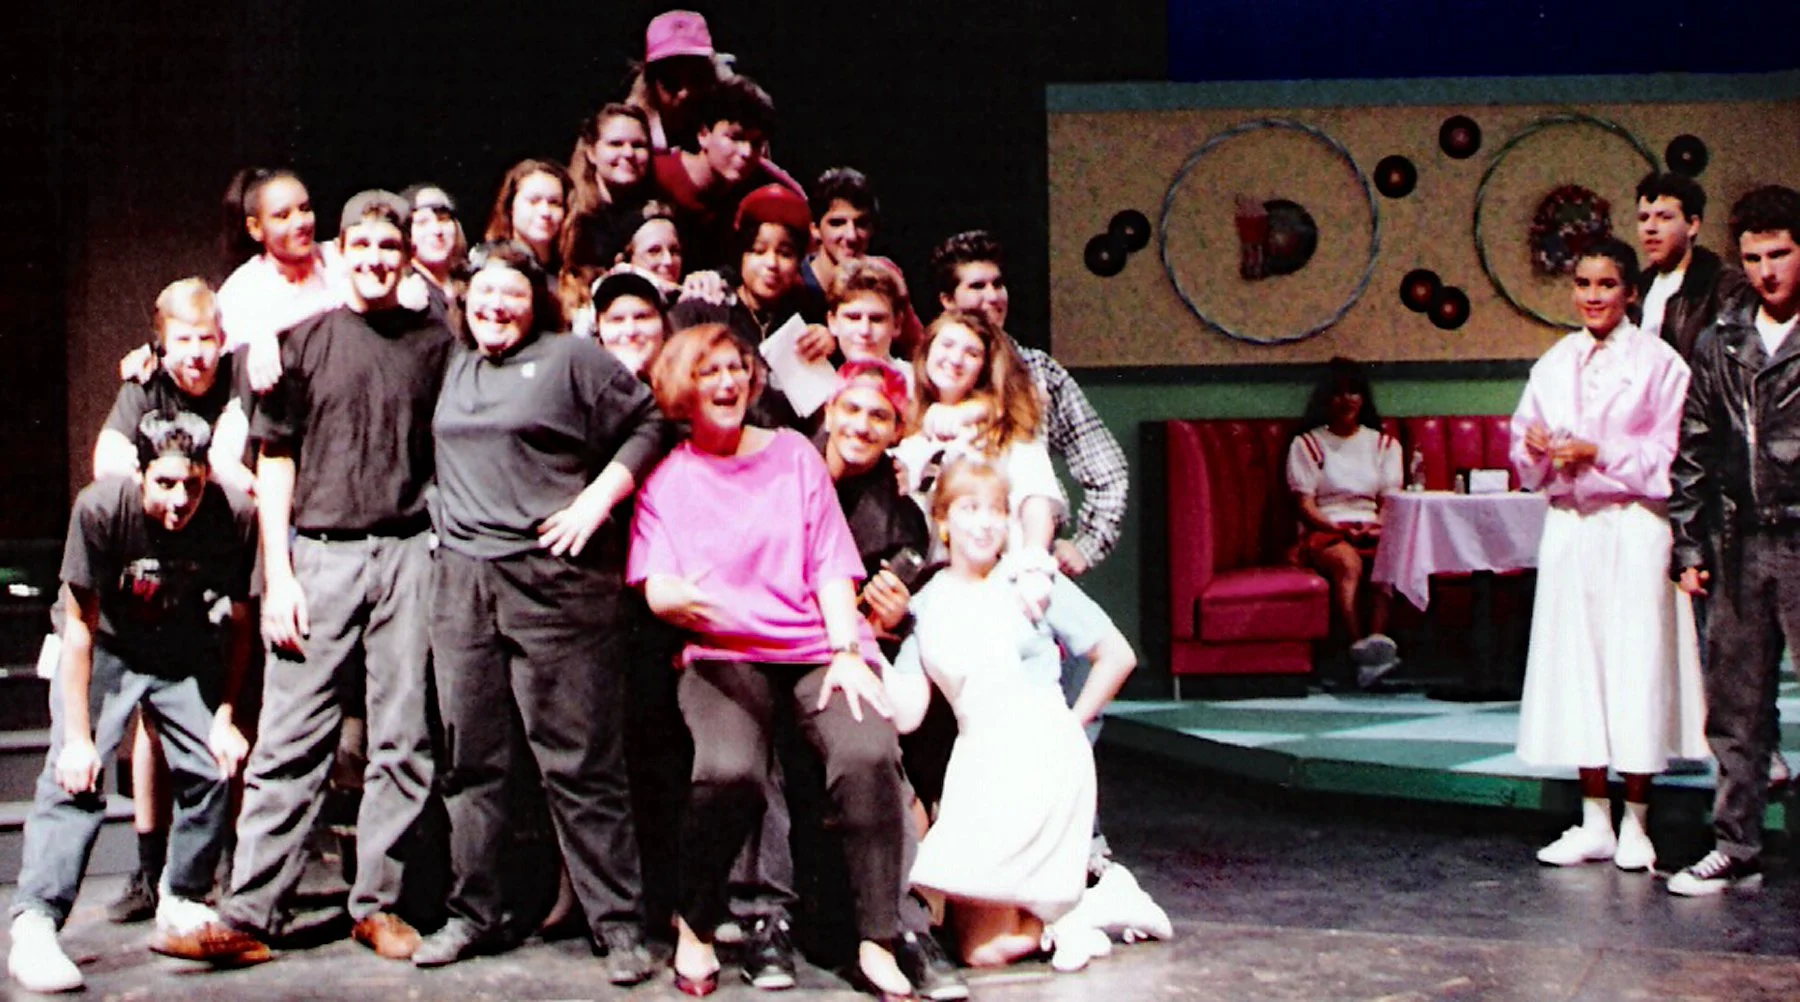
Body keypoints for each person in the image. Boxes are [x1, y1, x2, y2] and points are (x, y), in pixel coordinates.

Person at [169, 190, 455, 963]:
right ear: (341, 251)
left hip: (407, 550)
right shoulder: (301, 342)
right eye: (362, 247)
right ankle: (251, 913)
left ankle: (379, 905)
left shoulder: (435, 344)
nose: (375, 260)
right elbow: (275, 461)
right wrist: (281, 572)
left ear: (406, 257)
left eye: (389, 248)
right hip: (320, 555)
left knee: (402, 738)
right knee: (290, 738)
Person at [628, 324, 914, 1000]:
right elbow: (654, 580)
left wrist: (848, 651)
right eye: (709, 372)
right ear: (682, 388)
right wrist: (666, 596)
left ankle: (879, 940)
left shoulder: (793, 455)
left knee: (868, 751)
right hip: (724, 651)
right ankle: (696, 921)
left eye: (736, 368)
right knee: (729, 771)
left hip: (817, 646)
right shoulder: (668, 480)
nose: (728, 382)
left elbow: (830, 561)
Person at [409, 242, 669, 981]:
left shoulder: (571, 359)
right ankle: (474, 913)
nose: (497, 306)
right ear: (465, 299)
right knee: (473, 760)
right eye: (485, 292)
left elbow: (650, 423)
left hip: (556, 584)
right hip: (465, 583)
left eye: (514, 294)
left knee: (580, 760)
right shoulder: (451, 362)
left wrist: (597, 500)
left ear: (537, 302)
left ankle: (618, 924)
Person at [8, 412, 258, 993]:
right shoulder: (101, 509)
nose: (179, 500)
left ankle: (183, 897)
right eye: (165, 484)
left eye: (191, 484)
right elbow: (79, 629)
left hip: (180, 644)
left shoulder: (233, 516)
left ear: (207, 477)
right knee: (76, 774)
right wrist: (78, 738)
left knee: (213, 764)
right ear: (140, 475)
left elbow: (241, 626)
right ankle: (35, 921)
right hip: (108, 644)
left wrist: (225, 716)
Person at [885, 459, 1149, 972]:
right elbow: (910, 711)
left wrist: (1068, 728)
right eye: (970, 508)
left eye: (996, 511)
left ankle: (1084, 908)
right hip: (979, 768)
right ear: (943, 520)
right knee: (978, 950)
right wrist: (859, 647)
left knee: (977, 947)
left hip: (1037, 763)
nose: (985, 523)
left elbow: (1117, 655)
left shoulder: (1030, 581)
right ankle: (1070, 919)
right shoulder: (927, 601)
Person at [1511, 238, 1705, 872]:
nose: (1593, 297)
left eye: (1606, 285)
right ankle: (1594, 816)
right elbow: (1523, 448)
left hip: (1634, 525)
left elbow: (1673, 456)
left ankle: (1637, 820)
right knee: (1577, 665)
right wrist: (1536, 451)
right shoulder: (1554, 364)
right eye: (1584, 284)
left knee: (1634, 664)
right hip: (1572, 526)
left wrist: (1600, 453)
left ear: (1630, 292)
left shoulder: (1661, 364)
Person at [93, 278, 257, 925]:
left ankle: (226, 864)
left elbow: (235, 469)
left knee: (234, 718)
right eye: (184, 341)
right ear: (161, 345)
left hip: (226, 563)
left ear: (223, 339)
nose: (197, 353)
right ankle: (148, 866)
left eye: (207, 339)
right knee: (153, 724)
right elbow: (108, 463)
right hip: (163, 571)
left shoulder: (240, 377)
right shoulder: (143, 387)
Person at [1668, 185, 1800, 896]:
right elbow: (1695, 446)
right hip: (1740, 540)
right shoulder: (1722, 338)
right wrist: (1689, 547)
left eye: (1779, 254)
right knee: (1736, 706)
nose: (1766, 271)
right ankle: (1735, 844)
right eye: (1753, 258)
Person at [928, 231, 1127, 578]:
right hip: (941, 567)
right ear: (947, 299)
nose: (992, 296)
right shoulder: (930, 368)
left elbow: (1107, 469)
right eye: (977, 286)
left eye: (998, 284)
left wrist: (1085, 546)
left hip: (1022, 565)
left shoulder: (1039, 372)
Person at [896, 309, 1064, 567]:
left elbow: (1037, 501)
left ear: (984, 368)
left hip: (1000, 577)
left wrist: (1035, 561)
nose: (956, 359)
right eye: (947, 345)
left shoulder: (1008, 432)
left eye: (972, 353)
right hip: (930, 580)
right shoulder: (906, 430)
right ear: (927, 351)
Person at [670, 184, 831, 430]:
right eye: (758, 251)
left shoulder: (809, 314)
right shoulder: (707, 310)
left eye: (785, 254)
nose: (772, 264)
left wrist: (830, 342)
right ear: (741, 255)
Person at [1285, 357, 1404, 688]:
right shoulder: (1307, 444)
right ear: (1325, 399)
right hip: (1325, 528)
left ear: (1363, 398)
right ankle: (1359, 649)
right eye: (1337, 393)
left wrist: (1376, 526)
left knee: (1389, 560)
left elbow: (1390, 501)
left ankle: (1376, 644)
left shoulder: (1383, 444)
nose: (1346, 400)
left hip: (1371, 526)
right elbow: (1305, 504)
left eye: (1353, 392)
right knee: (1348, 563)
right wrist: (1336, 529)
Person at [650, 75, 803, 272]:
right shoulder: (656, 175)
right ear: (704, 134)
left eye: (756, 143)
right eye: (735, 137)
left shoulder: (764, 182)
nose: (747, 152)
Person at [212, 168, 344, 393]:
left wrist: (270, 328)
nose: (300, 222)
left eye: (305, 209)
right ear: (255, 228)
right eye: (283, 216)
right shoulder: (240, 292)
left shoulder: (340, 260)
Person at [1634, 171, 1751, 360]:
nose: (1650, 228)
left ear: (1692, 225)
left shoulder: (1723, 286)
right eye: (1643, 218)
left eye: (1664, 217)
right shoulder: (1638, 287)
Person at [804, 168, 923, 351]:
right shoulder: (794, 283)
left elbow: (916, 348)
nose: (851, 236)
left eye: (861, 223)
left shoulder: (884, 274)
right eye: (837, 223)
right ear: (815, 229)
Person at [827, 258, 916, 396]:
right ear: (832, 322)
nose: (865, 330)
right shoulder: (822, 389)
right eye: (853, 317)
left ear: (897, 324)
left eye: (876, 319)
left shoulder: (917, 386)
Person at [483, 159, 572, 272]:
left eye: (554, 203)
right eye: (533, 201)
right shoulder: (489, 266)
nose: (545, 212)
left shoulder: (576, 272)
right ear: (510, 206)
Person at [401, 183, 467, 313]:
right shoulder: (404, 292)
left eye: (443, 219)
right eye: (422, 222)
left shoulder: (470, 287)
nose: (437, 231)